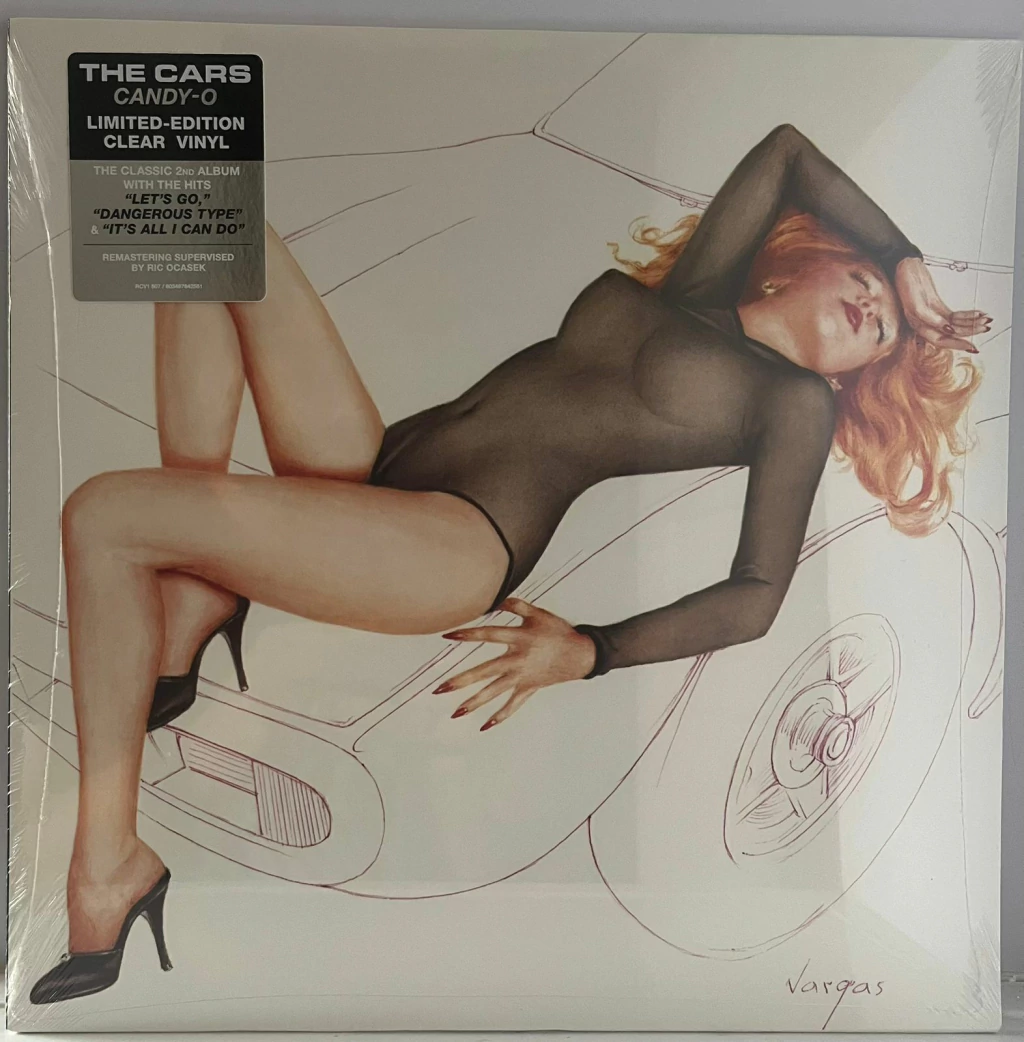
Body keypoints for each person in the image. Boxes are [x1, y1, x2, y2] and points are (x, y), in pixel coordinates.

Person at [31, 123, 987, 1003]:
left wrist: (593, 650)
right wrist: (905, 262)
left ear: (853, 375)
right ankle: (195, 591)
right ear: (793, 269)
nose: (873, 308)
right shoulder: (694, 294)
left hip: (453, 539)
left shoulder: (793, 405)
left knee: (105, 514)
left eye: (883, 328)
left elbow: (759, 596)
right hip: (377, 463)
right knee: (209, 213)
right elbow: (784, 152)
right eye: (860, 281)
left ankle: (109, 862)